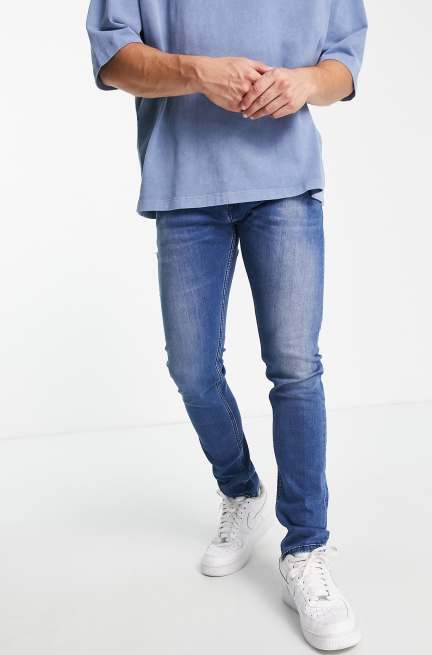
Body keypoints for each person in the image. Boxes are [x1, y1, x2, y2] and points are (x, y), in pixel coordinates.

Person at [86, 1, 367, 650]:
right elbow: (113, 57)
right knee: (191, 369)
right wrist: (196, 71)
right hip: (185, 181)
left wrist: (305, 82)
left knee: (296, 368)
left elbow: (344, 62)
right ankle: (241, 491)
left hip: (284, 180)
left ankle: (305, 549)